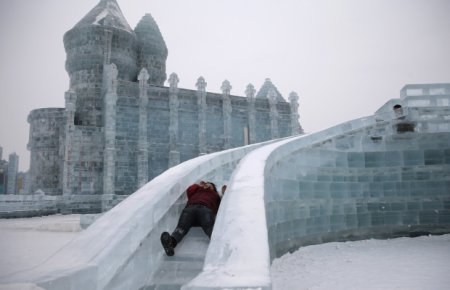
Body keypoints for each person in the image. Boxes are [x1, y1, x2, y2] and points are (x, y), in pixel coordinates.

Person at [160, 181, 226, 256]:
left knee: (209, 228)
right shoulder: (197, 191)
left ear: (214, 188)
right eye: (206, 185)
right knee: (181, 228)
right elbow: (189, 190)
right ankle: (170, 243)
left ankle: (218, 245)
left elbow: (223, 203)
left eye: (210, 186)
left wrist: (224, 192)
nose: (207, 186)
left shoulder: (216, 195)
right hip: (190, 209)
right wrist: (199, 185)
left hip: (205, 210)